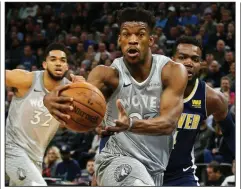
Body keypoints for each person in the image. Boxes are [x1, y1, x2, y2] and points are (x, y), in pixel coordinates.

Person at [43, 7, 188, 186]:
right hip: (115, 159)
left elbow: (168, 124)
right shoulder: (106, 75)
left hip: (155, 169)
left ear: (151, 40)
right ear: (120, 40)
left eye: (140, 35)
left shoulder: (171, 71)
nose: (133, 40)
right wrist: (50, 99)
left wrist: (131, 125)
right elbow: (76, 101)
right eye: (126, 34)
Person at [5, 42, 83, 186]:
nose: (58, 63)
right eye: (53, 59)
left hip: (35, 157)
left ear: (67, 67)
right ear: (44, 64)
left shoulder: (72, 91)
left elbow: (82, 123)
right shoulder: (27, 79)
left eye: (62, 60)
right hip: (11, 148)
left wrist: (85, 89)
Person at [163, 36, 235, 186]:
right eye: (182, 57)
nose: (189, 63)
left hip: (180, 175)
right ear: (171, 60)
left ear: (201, 64)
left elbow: (230, 132)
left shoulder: (212, 98)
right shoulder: (150, 89)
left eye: (195, 59)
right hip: (144, 170)